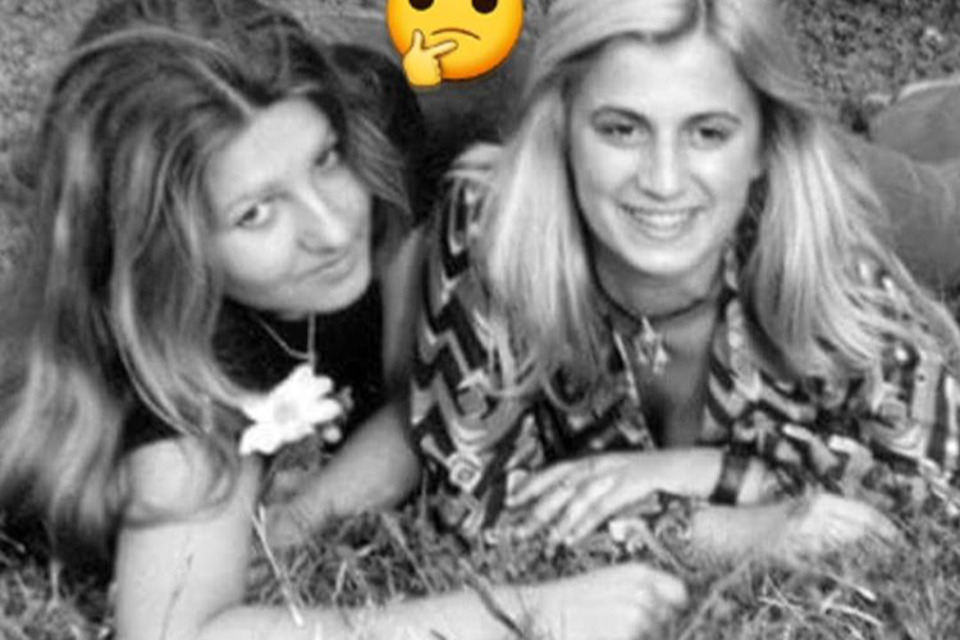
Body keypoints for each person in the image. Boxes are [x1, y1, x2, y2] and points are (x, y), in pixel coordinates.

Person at [0, 1, 689, 639]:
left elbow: (429, 393)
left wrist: (303, 516)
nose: (332, 227)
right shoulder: (178, 382)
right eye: (255, 213)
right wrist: (523, 614)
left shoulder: (374, 150)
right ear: (165, 252)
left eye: (324, 158)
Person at [412, 0, 960, 562]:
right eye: (622, 129)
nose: (664, 181)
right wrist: (738, 530)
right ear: (562, 129)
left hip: (855, 188)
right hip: (706, 199)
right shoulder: (496, 224)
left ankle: (931, 105)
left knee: (949, 216)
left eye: (708, 132)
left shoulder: (815, 232)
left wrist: (704, 470)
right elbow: (472, 508)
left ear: (764, 144)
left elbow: (937, 482)